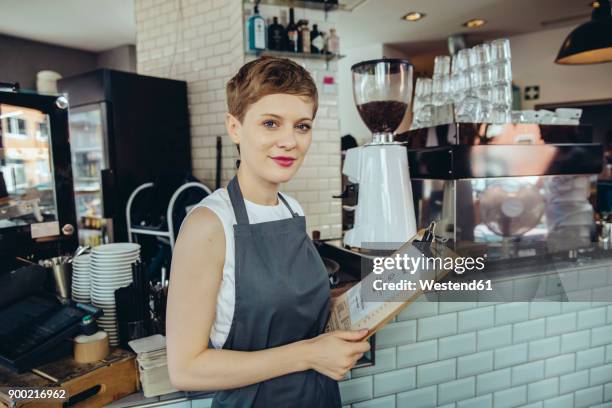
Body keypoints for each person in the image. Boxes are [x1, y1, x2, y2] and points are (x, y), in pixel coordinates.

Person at [166, 56, 370, 407]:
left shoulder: (293, 210)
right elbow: (186, 369)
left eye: (302, 126)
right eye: (271, 123)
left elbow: (286, 308)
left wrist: (346, 307)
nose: (289, 141)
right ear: (235, 127)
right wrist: (309, 355)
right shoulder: (208, 225)